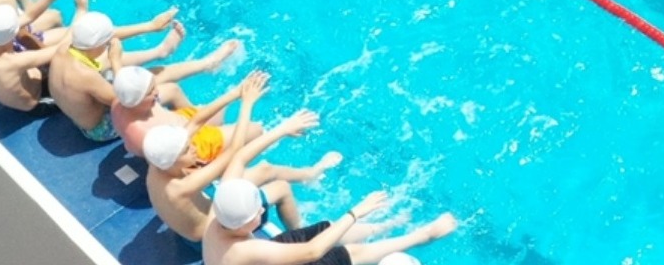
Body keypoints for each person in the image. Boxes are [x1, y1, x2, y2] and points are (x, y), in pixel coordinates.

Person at [144, 75, 334, 242]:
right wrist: (248, 104)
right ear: (171, 160)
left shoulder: (158, 162)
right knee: (281, 188)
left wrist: (237, 92)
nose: (194, 148)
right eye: (186, 150)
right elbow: (236, 151)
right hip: (208, 235)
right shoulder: (179, 188)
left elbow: (196, 121)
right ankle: (300, 232)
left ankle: (309, 174)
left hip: (196, 214)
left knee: (265, 168)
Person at [202, 176, 456, 265]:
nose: (261, 213)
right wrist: (355, 212)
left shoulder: (218, 217)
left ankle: (383, 227)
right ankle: (423, 236)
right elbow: (313, 252)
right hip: (271, 259)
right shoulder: (243, 250)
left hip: (260, 258)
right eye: (256, 213)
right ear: (241, 224)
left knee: (326, 229)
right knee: (350, 254)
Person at [49, 7, 189, 142]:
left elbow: (104, 37)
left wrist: (150, 26)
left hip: (78, 115)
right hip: (98, 131)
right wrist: (116, 61)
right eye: (106, 42)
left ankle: (160, 51)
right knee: (171, 90)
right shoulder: (86, 76)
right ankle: (197, 127)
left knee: (107, 60)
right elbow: (127, 100)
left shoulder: (64, 49)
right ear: (100, 43)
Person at [109, 44, 250, 161]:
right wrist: (234, 94)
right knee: (253, 130)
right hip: (190, 144)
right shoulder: (143, 135)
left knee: (172, 89)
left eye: (154, 87)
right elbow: (176, 157)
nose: (156, 92)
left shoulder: (120, 100)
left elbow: (122, 79)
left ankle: (209, 63)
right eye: (150, 92)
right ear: (137, 100)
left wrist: (115, 60)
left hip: (182, 122)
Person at [0, 2, 74, 112]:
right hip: (36, 103)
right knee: (70, 56)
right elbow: (59, 49)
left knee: (36, 38)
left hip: (6, 92)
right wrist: (81, 11)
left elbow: (29, 16)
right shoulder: (12, 62)